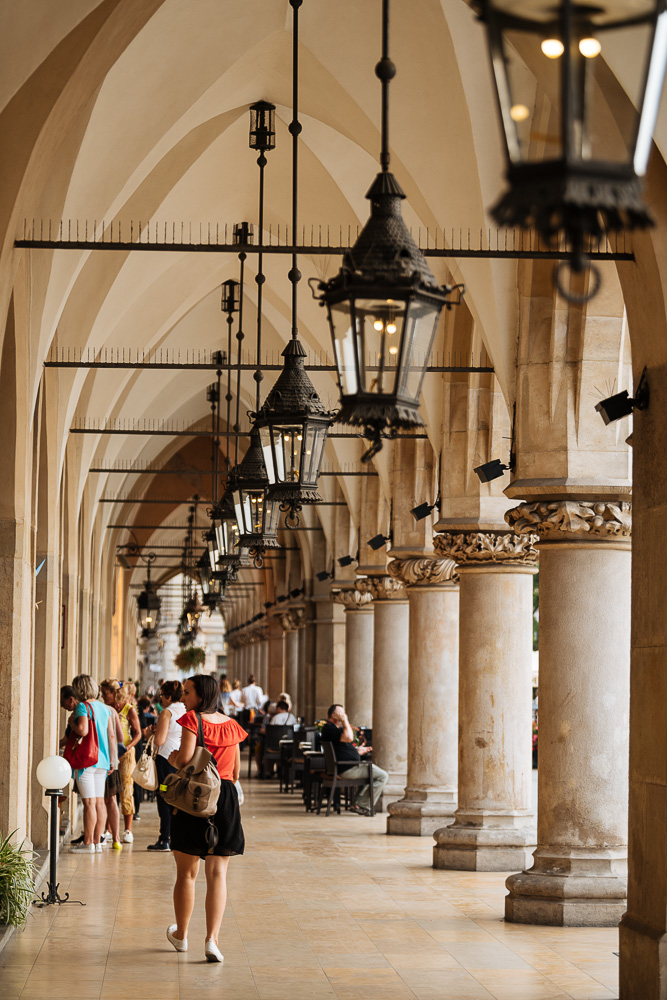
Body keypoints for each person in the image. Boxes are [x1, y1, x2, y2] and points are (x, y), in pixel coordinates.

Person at [166, 674, 246, 963]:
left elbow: (185, 760)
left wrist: (174, 758)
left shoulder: (191, 720)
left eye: (187, 692)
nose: (183, 697)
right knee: (217, 874)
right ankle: (212, 940)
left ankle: (181, 936)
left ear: (201, 696)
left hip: (195, 798)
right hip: (224, 798)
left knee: (187, 874)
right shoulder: (232, 726)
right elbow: (235, 773)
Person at [68, 674, 120, 852]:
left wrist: (72, 724)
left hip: (87, 761)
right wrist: (113, 761)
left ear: (79, 689)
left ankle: (88, 842)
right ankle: (97, 842)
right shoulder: (106, 709)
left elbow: (83, 730)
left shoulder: (83, 706)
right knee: (99, 802)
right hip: (103, 761)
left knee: (89, 803)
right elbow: (112, 736)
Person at [320, 703, 388, 815]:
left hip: (346, 766)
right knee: (382, 776)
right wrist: (345, 720)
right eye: (341, 713)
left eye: (344, 713)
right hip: (346, 769)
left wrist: (357, 751)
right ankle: (361, 805)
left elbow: (340, 748)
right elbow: (349, 737)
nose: (343, 715)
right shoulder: (329, 729)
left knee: (373, 774)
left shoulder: (331, 729)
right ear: (333, 715)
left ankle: (358, 803)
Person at [146, 680, 186, 852]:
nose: (160, 698)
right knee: (178, 799)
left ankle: (165, 838)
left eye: (162, 695)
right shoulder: (185, 710)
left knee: (164, 798)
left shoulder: (167, 713)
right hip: (181, 758)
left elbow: (160, 740)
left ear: (169, 696)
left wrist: (150, 733)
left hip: (165, 760)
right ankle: (178, 837)